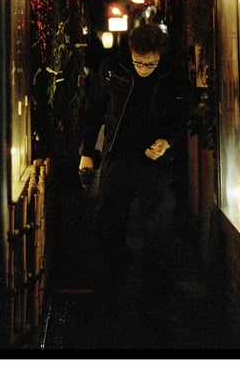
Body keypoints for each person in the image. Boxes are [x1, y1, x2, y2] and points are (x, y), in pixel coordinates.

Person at [78, 22, 193, 347]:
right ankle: (110, 292)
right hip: (118, 157)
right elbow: (94, 109)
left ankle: (153, 302)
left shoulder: (171, 76)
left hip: (154, 161)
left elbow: (181, 112)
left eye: (150, 64)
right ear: (130, 53)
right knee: (109, 224)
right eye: (139, 62)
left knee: (157, 229)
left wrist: (166, 141)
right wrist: (87, 152)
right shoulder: (112, 69)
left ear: (160, 57)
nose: (143, 69)